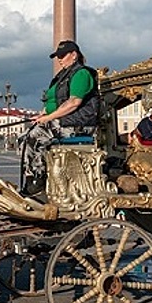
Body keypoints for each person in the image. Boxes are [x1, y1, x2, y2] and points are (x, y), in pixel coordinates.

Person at [21, 40, 101, 196]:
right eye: (58, 56)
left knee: (36, 136)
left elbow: (73, 103)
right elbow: (53, 101)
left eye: (63, 55)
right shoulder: (62, 75)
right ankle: (31, 178)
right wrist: (43, 115)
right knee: (24, 137)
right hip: (64, 121)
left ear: (74, 55)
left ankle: (39, 180)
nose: (59, 59)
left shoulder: (82, 73)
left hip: (79, 123)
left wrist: (49, 117)